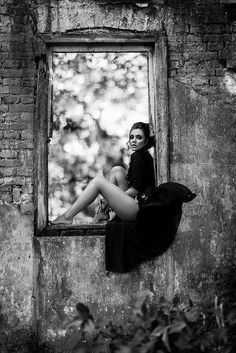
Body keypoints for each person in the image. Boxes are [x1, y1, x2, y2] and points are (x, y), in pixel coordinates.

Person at [50, 122, 155, 225]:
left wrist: (108, 201)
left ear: (146, 141)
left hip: (139, 210)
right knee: (117, 170)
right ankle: (103, 213)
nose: (133, 141)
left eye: (139, 137)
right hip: (137, 205)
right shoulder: (142, 154)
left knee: (98, 181)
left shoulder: (139, 156)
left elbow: (134, 191)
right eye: (131, 137)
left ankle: (68, 216)